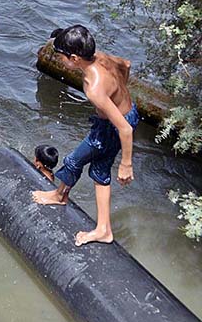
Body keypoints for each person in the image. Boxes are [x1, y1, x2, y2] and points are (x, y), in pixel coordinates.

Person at [32, 25, 139, 246]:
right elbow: (126, 65)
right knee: (97, 170)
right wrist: (118, 94)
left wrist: (126, 164)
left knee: (75, 161)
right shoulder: (102, 58)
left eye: (61, 57)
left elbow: (125, 130)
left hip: (113, 127)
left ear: (74, 57)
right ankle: (100, 227)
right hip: (129, 113)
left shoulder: (94, 87)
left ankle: (63, 199)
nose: (60, 61)